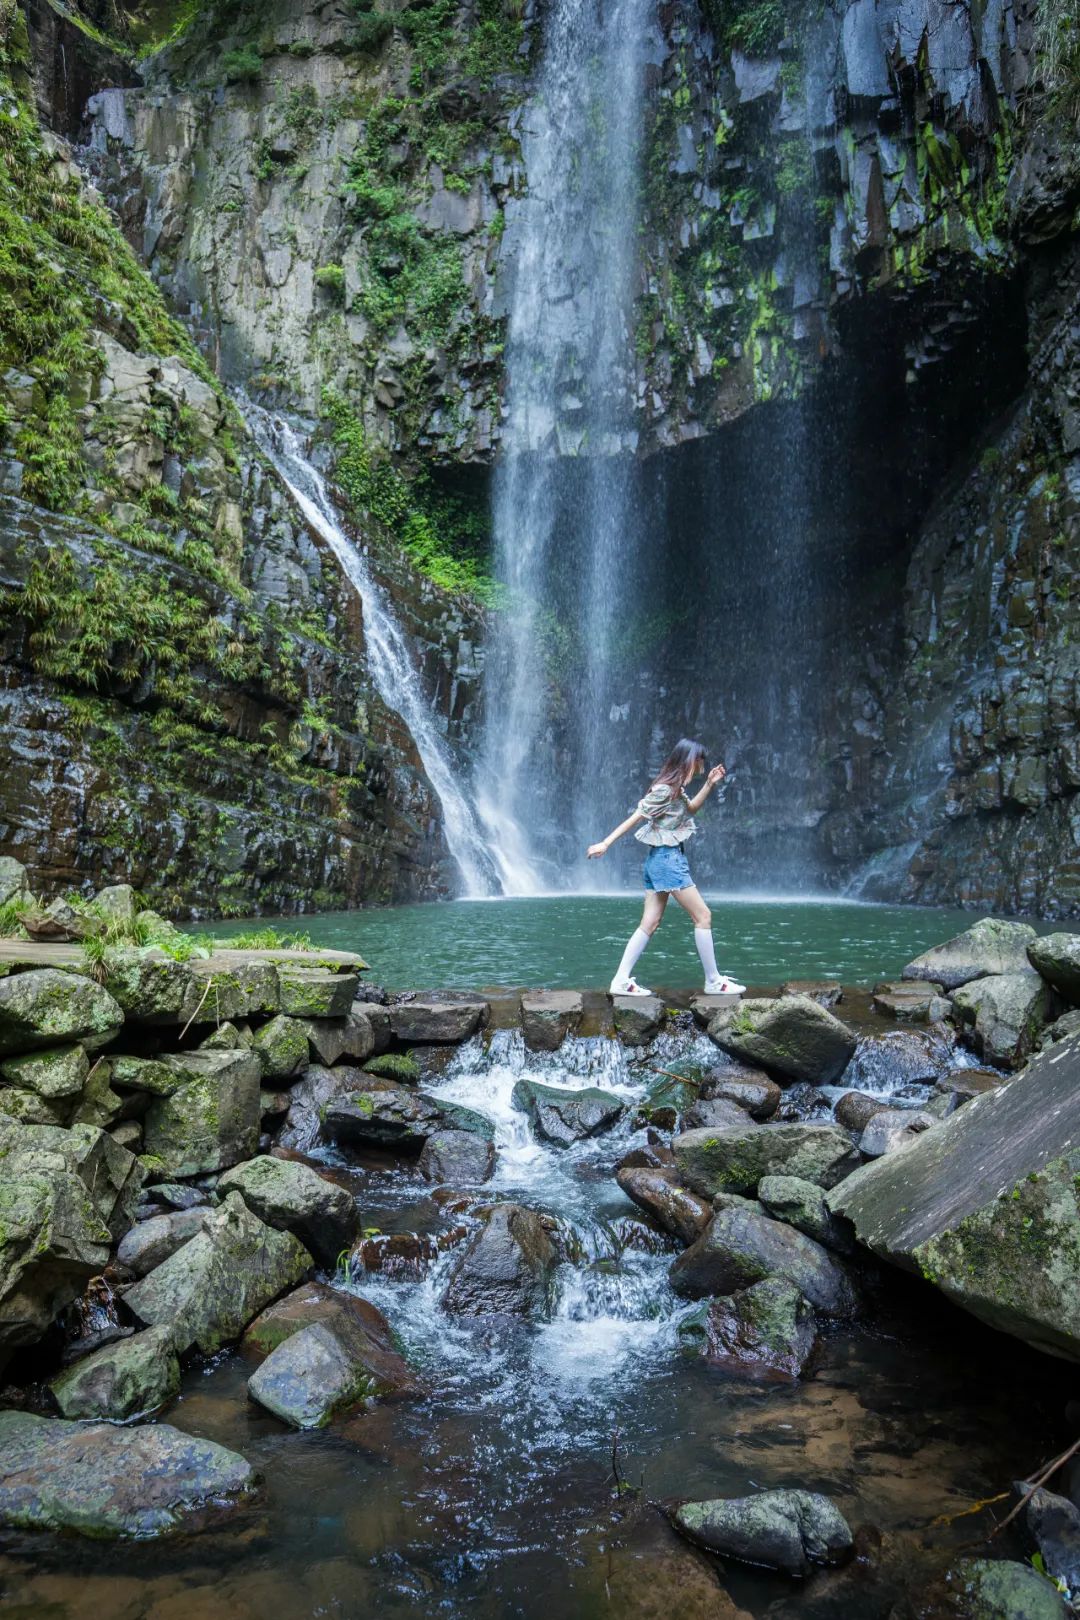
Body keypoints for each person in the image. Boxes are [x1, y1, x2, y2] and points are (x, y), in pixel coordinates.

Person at [586, 738, 746, 998]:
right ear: (689, 760)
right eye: (700, 762)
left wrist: (709, 785)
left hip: (657, 862)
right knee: (703, 916)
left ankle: (620, 980)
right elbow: (636, 817)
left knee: (650, 922)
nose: (701, 767)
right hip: (667, 861)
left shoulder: (676, 789)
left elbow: (690, 810)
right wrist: (605, 843)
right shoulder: (664, 790)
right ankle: (714, 981)